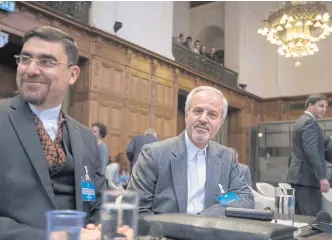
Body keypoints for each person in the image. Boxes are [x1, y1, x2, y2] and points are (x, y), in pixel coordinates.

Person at [0, 26, 107, 239]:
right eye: (25, 58)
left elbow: (98, 201)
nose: (30, 69)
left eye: (46, 61)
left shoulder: (86, 138)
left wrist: (101, 226)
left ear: (72, 74)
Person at [127, 86, 254, 216]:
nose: (204, 119)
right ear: (187, 115)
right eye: (198, 111)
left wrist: (213, 211)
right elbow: (136, 209)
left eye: (212, 114)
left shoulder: (227, 157)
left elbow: (244, 197)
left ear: (220, 123)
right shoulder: (154, 154)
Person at [287, 94, 330, 216]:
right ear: (310, 105)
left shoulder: (301, 121)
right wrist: (322, 176)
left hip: (300, 177)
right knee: (309, 219)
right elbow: (311, 151)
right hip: (307, 178)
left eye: (326, 107)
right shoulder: (309, 122)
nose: (324, 109)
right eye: (321, 105)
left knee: (300, 218)